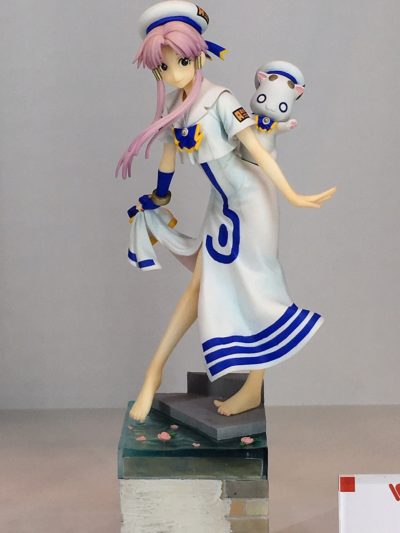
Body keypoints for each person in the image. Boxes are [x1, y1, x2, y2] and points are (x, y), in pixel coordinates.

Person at [115, 1, 336, 423]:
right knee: (200, 287)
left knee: (257, 285)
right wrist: (158, 198)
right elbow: (167, 160)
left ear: (198, 56)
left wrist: (292, 194)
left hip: (253, 201)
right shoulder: (173, 108)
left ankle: (247, 385)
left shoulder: (221, 99)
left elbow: (255, 149)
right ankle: (154, 373)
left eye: (182, 62)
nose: (174, 73)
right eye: (164, 67)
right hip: (222, 204)